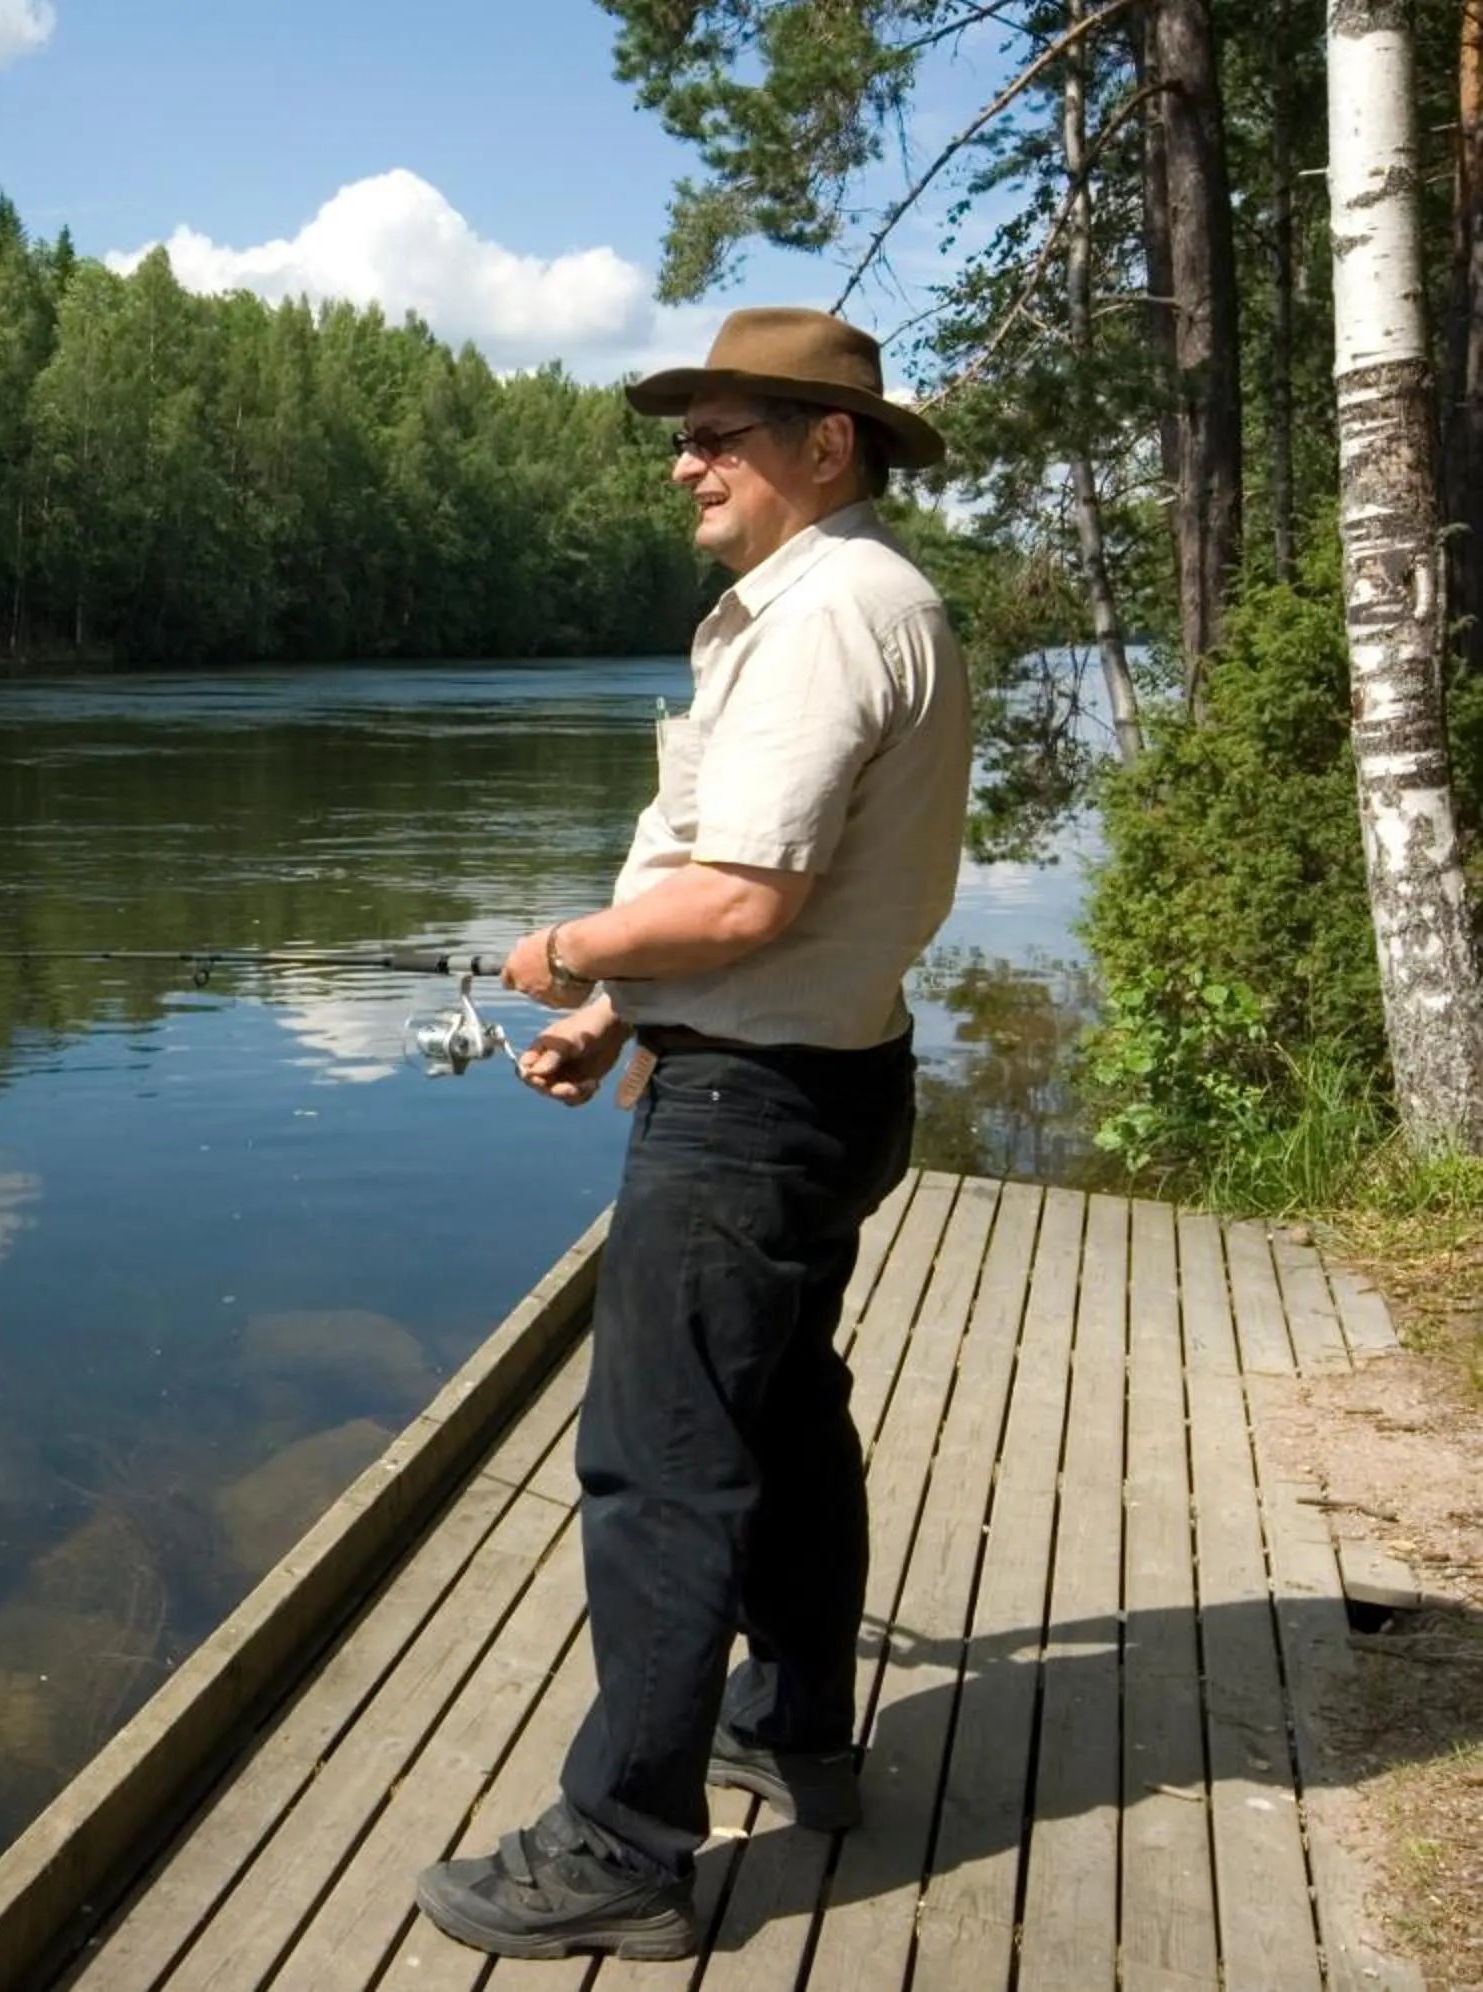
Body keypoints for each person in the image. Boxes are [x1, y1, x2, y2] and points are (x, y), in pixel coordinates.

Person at [413, 307, 972, 1962]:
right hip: (825, 1077)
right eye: (690, 433)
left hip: (750, 1118)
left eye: (725, 434)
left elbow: (742, 895)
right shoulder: (864, 603)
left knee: (662, 1464)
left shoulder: (823, 620)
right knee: (788, 1418)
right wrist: (614, 1019)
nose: (689, 461)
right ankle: (797, 1721)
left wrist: (568, 953)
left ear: (830, 447)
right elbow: (767, 900)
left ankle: (622, 1842)